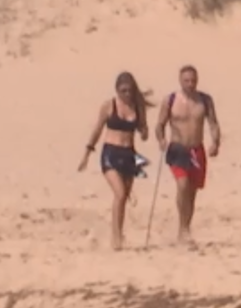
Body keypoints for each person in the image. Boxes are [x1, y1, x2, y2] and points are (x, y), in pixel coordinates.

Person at [78, 71, 154, 250]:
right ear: (117, 90)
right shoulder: (109, 106)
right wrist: (87, 154)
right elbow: (97, 130)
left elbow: (144, 133)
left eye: (129, 90)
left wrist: (144, 131)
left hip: (129, 154)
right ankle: (116, 238)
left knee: (124, 197)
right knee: (119, 193)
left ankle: (119, 232)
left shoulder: (137, 106)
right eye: (123, 91)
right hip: (110, 154)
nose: (127, 94)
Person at [154, 64, 221, 247]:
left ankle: (185, 229)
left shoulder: (205, 100)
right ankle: (183, 228)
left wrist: (215, 142)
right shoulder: (171, 100)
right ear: (180, 81)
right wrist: (161, 139)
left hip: (196, 150)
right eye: (186, 81)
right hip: (177, 149)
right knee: (182, 185)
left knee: (191, 192)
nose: (190, 84)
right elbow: (160, 124)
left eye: (193, 80)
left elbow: (213, 123)